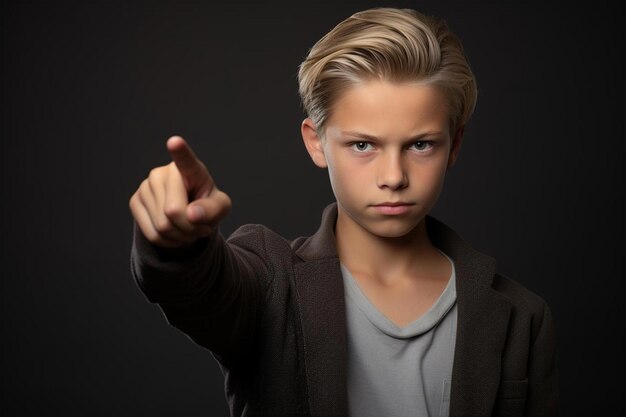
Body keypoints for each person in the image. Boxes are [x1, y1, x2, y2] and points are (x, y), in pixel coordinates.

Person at [128, 7, 558, 417]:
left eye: (420, 144)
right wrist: (180, 245)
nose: (394, 176)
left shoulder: (521, 316)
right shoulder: (270, 283)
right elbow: (203, 289)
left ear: (455, 144)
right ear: (316, 142)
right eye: (363, 145)